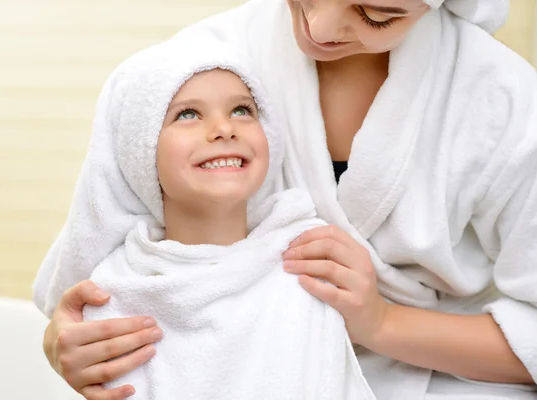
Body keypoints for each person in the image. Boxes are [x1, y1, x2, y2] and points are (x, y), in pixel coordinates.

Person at [35, 0, 537, 399]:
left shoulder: (501, 98)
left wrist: (383, 323)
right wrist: (69, 344)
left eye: (375, 14)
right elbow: (91, 263)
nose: (318, 27)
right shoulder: (193, 66)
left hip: (443, 380)